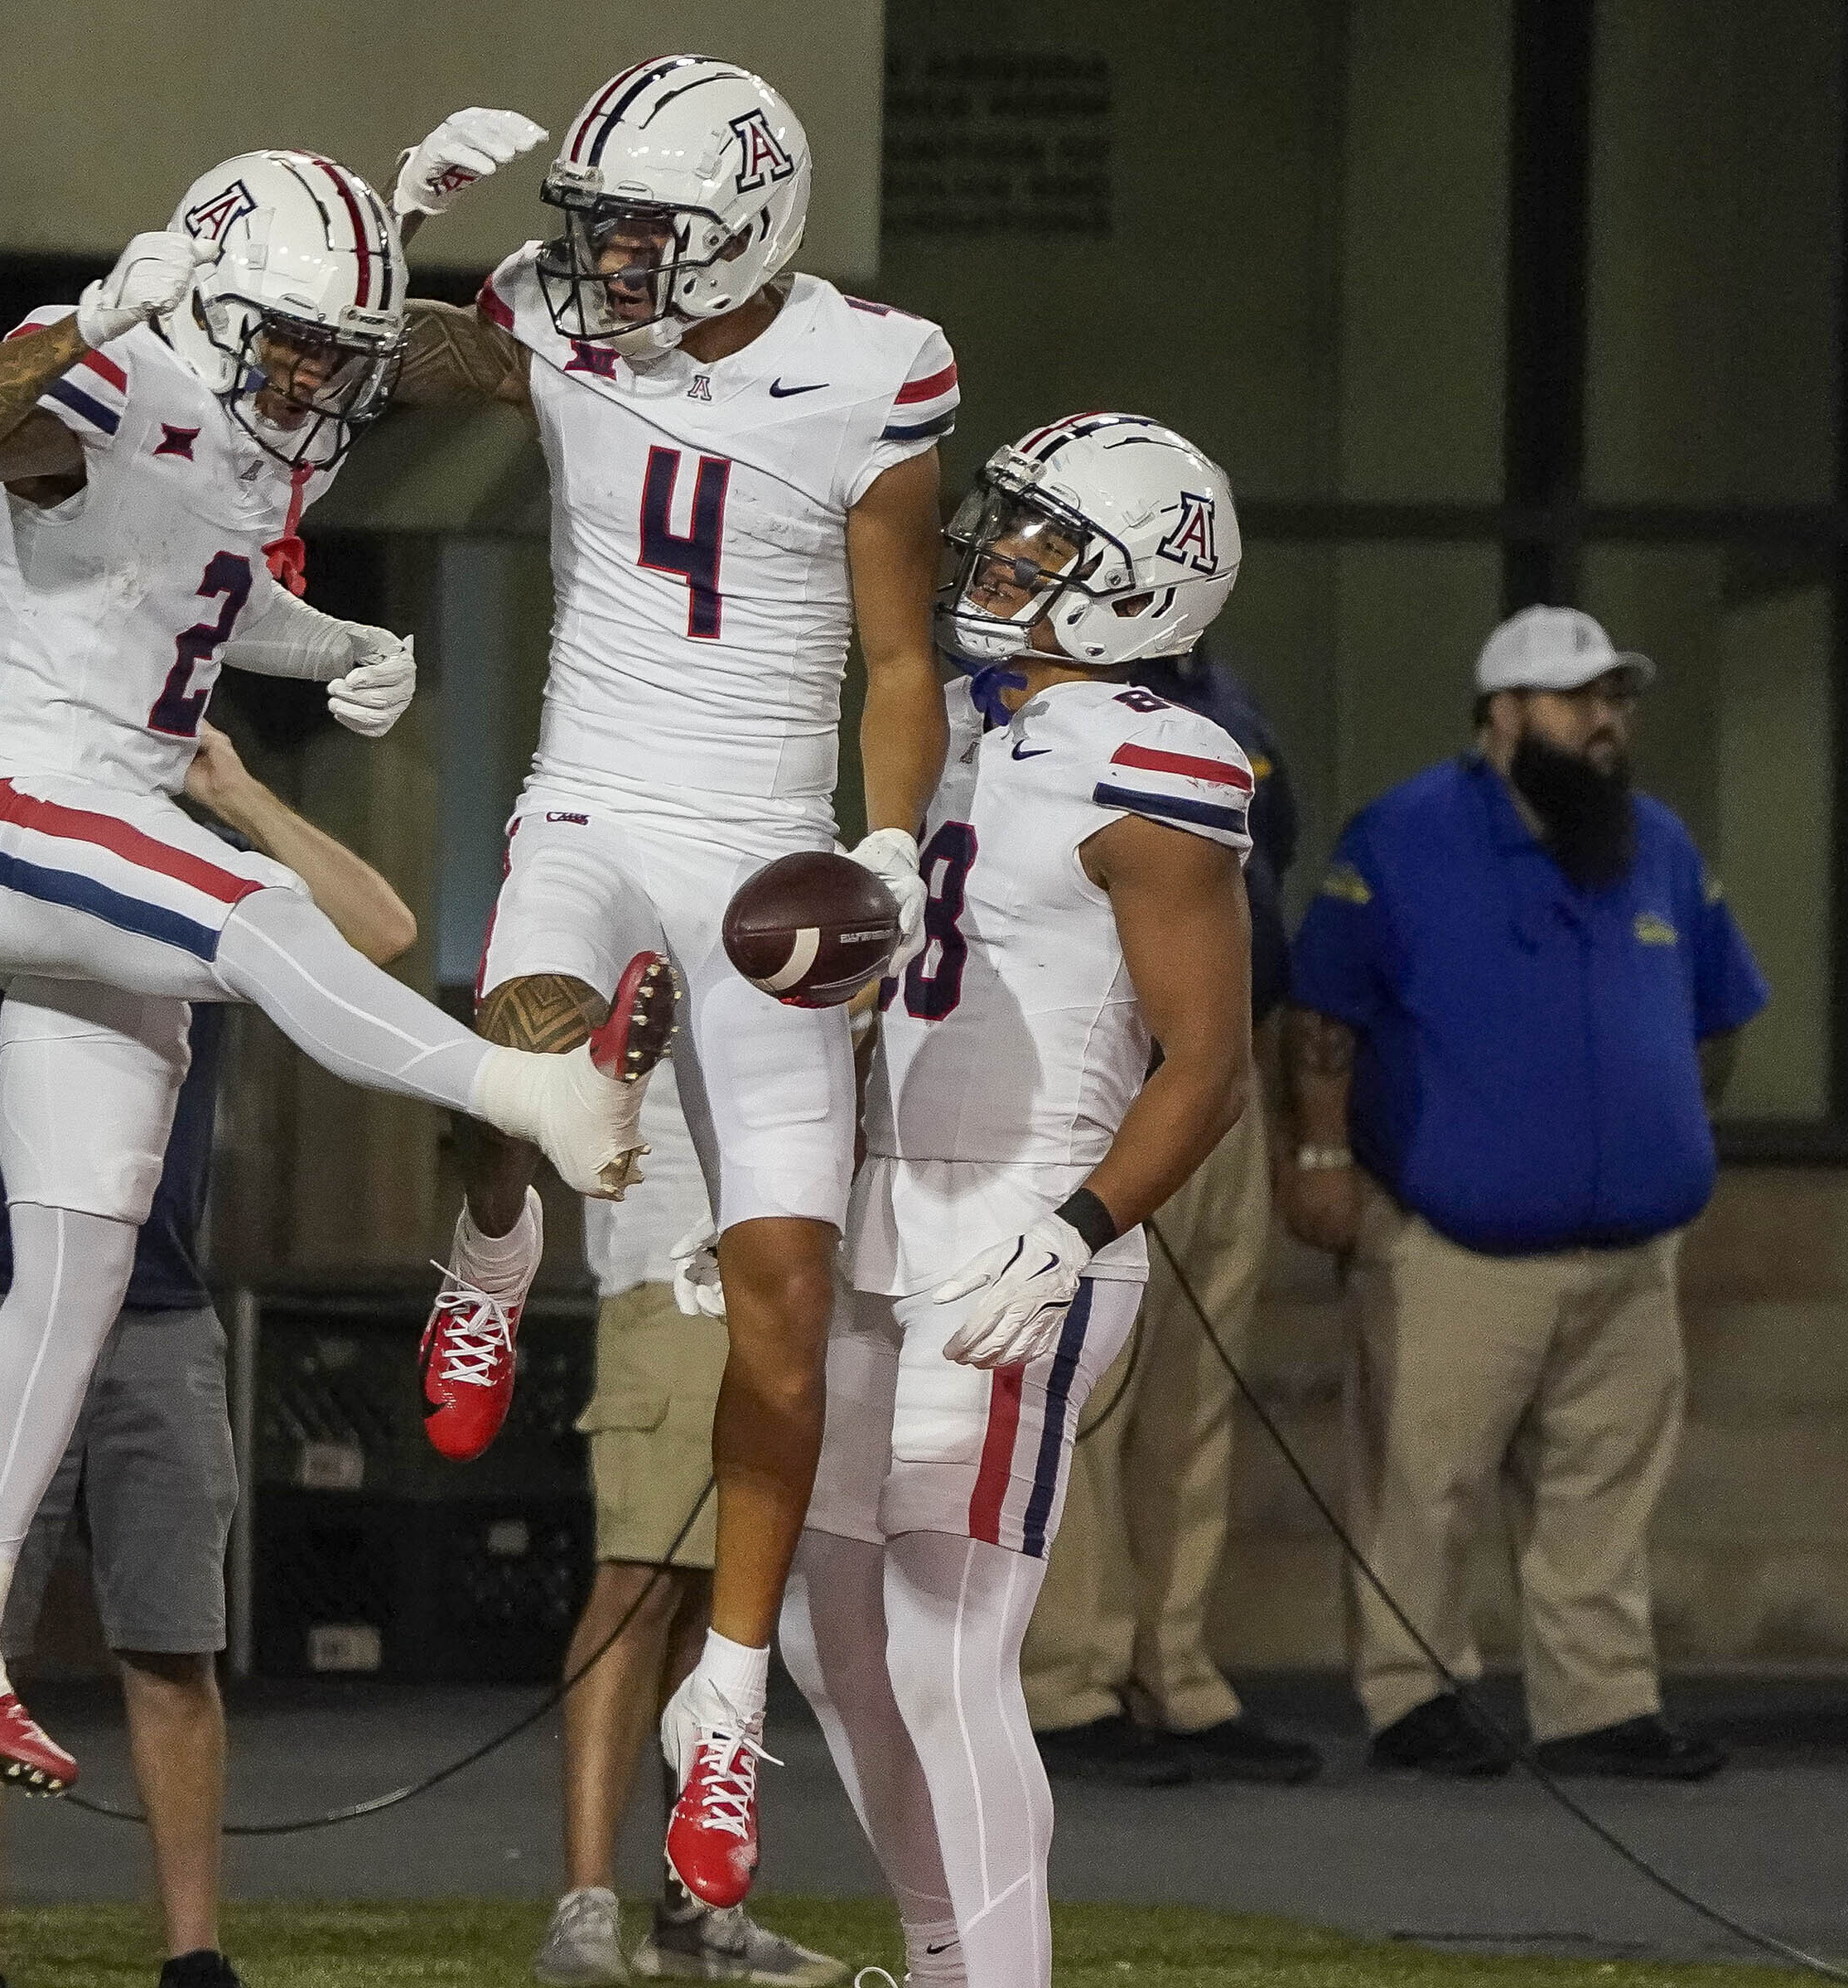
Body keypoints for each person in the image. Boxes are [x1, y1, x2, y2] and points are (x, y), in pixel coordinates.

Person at [0, 148, 675, 1798]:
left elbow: (198, 599)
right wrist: (88, 325)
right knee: (266, 912)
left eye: (338, 354)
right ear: (207, 303)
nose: (318, 380)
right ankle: (527, 1093)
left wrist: (344, 646)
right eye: (297, 345)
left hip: (106, 839)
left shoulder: (250, 431)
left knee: (78, 1274)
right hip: (24, 818)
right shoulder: (128, 366)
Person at [388, 65, 957, 1904]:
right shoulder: (553, 309)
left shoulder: (876, 373)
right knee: (517, 1052)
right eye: (594, 226)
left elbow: (896, 653)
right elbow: (361, 381)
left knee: (782, 1294)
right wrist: (397, 239)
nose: (603, 261)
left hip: (767, 842)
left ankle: (727, 1712)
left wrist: (890, 845)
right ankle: (488, 1253)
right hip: (589, 800)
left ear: (754, 228)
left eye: (642, 228)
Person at [783, 414, 1257, 1988]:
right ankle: (944, 1956)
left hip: (1018, 1240)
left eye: (1054, 542)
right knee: (825, 1632)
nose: (1004, 553)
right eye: (1011, 522)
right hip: (886, 1220)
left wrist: (1075, 1236)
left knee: (945, 1648)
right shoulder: (978, 726)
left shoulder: (1162, 754)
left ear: (1144, 591)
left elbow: (1206, 1063)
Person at [0, 709, 411, 1988]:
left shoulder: (187, 853)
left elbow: (384, 933)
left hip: (153, 1295)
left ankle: (193, 1957)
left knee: (174, 1638)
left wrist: (235, 794)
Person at [1281, 603, 1768, 1781]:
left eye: (1618, 700)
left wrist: (1662, 1131)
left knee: (1604, 1489)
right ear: (1504, 716)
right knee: (1422, 1482)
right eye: (1579, 700)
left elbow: (1717, 1017)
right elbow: (1324, 1013)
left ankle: (1600, 1706)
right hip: (1455, 1242)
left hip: (1631, 1249)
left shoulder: (1653, 840)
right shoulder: (1405, 837)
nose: (1607, 722)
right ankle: (1415, 1696)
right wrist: (1322, 1159)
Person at [1020, 635, 1322, 1787]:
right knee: (1084, 1387)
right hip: (1097, 1069)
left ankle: (1174, 1669)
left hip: (1221, 1066)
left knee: (1195, 1398)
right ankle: (1065, 1682)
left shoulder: (1225, 698)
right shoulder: (1025, 698)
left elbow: (1265, 880)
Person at [534, 1061, 844, 1988]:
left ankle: (697, 1915)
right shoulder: (644, 912)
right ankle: (584, 1910)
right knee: (638, 1582)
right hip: (671, 1263)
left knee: (725, 1604)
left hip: (784, 1271)